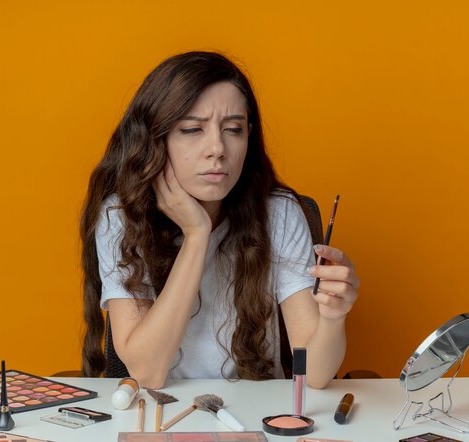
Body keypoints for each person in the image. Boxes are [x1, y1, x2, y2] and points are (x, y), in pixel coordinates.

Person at [80, 51, 359, 389]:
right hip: (161, 414)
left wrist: (333, 318)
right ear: (156, 139)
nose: (217, 148)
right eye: (193, 129)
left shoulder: (278, 212)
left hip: (257, 414)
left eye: (233, 129)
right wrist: (197, 234)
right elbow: (148, 372)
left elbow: (313, 375)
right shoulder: (120, 217)